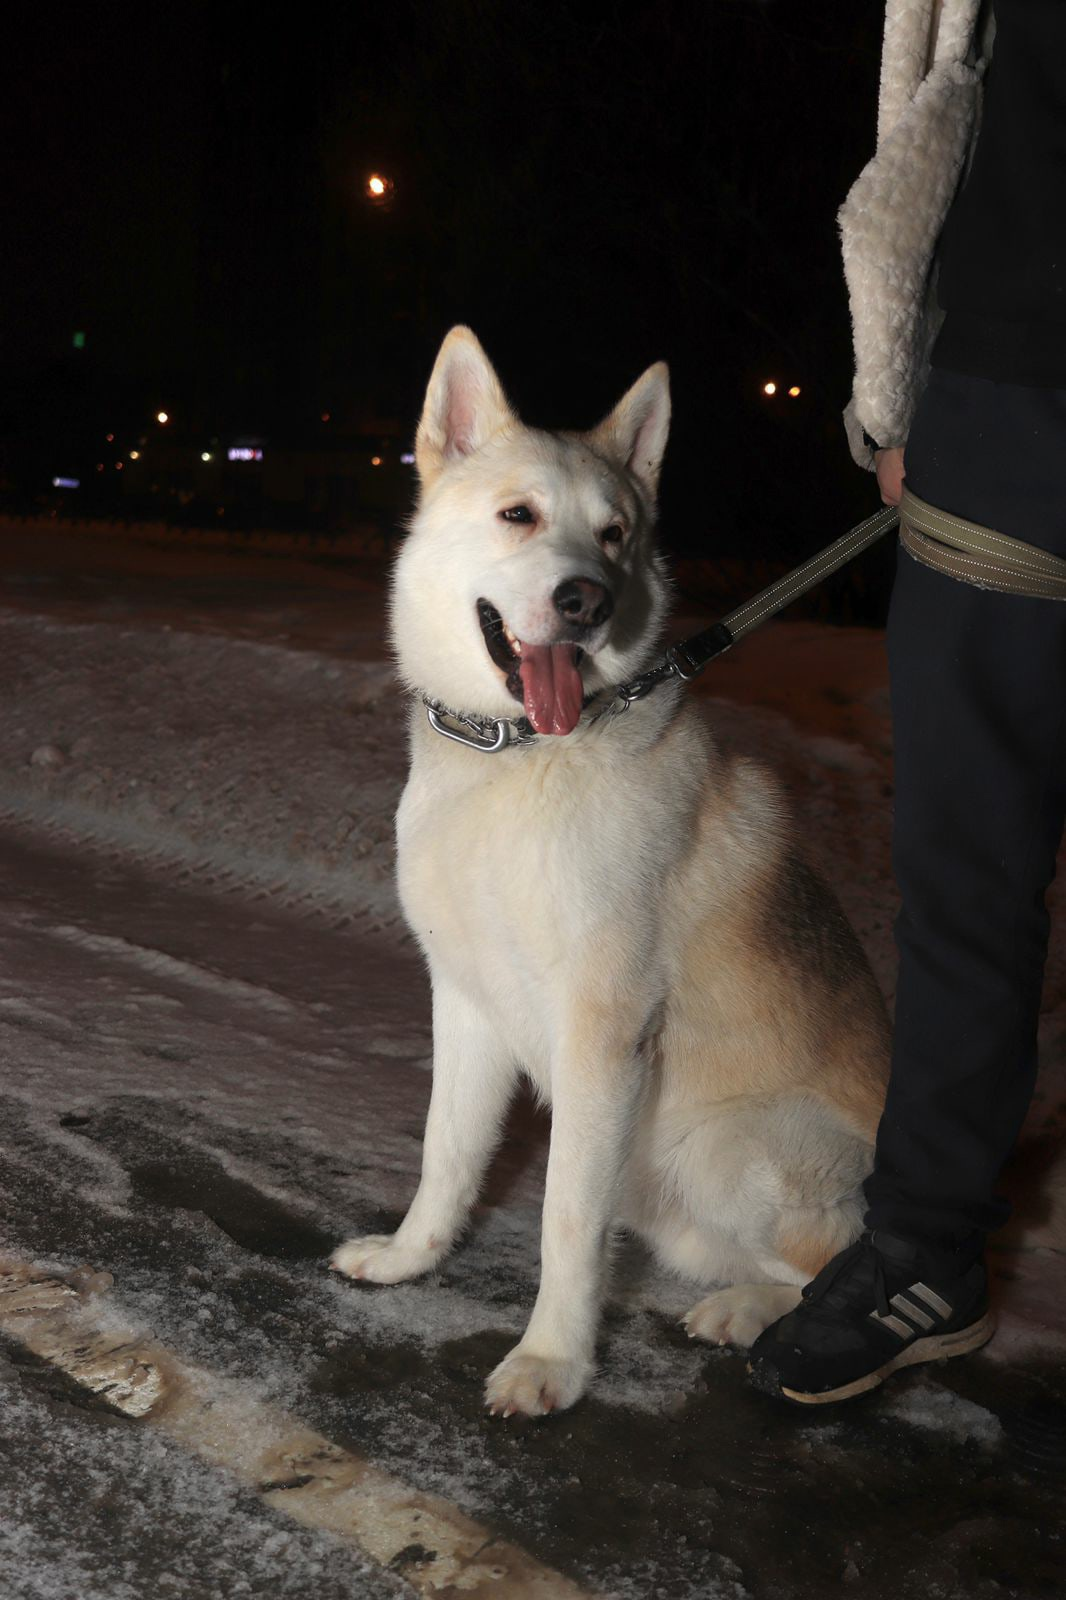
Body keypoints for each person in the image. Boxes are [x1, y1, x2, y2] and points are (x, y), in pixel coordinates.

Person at [750, 0, 1066, 1403]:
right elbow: (943, 101)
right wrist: (899, 386)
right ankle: (927, 1246)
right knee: (963, 877)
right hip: (999, 405)